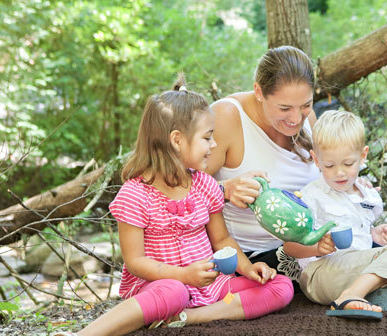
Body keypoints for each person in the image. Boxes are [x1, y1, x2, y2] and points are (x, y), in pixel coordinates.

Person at [68, 76, 293, 336]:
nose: (215, 145)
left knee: (280, 287)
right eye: (207, 138)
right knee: (173, 292)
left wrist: (248, 268)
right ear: (176, 140)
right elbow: (135, 262)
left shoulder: (205, 185)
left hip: (212, 289)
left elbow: (222, 240)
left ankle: (191, 316)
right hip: (159, 288)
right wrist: (184, 276)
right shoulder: (135, 194)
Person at [283, 110, 387, 319]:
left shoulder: (364, 194)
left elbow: (358, 233)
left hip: (355, 271)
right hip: (322, 273)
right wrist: (316, 247)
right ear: (316, 160)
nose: (340, 172)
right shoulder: (311, 196)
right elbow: (289, 247)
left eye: (348, 164)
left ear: (362, 156)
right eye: (329, 165)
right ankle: (351, 296)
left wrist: (373, 234)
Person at [205, 46, 320, 278]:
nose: (297, 119)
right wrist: (223, 189)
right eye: (285, 108)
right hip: (255, 257)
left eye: (305, 105)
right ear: (258, 91)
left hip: (313, 241)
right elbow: (173, 186)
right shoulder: (227, 117)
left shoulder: (309, 119)